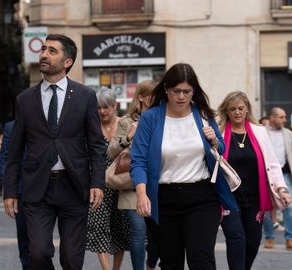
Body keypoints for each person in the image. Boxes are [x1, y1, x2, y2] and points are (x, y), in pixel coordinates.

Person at [3, 33, 106, 270]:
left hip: (74, 185)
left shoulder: (85, 96)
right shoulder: (24, 99)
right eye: (43, 49)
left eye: (52, 51)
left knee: (71, 259)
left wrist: (97, 183)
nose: (44, 55)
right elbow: (15, 150)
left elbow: (97, 145)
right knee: (37, 253)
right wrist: (10, 190)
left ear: (67, 61)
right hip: (37, 187)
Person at [130, 63, 238, 270]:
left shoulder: (204, 115)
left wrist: (215, 140)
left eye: (186, 91)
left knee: (201, 260)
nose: (181, 96)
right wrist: (142, 194)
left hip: (202, 196)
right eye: (176, 91)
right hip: (163, 198)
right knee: (171, 262)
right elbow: (139, 159)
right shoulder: (150, 118)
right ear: (166, 90)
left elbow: (221, 149)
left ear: (193, 92)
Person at [217, 91, 292, 270]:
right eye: (232, 109)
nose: (237, 112)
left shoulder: (259, 132)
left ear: (247, 109)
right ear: (226, 111)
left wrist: (282, 188)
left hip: (254, 199)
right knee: (236, 238)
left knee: (252, 241)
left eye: (240, 108)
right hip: (229, 199)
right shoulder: (218, 133)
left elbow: (272, 164)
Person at [107, 80, 157, 270]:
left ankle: (151, 264)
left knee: (157, 234)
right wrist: (129, 137)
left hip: (159, 184)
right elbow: (111, 152)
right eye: (151, 96)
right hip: (131, 185)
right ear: (141, 98)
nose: (155, 100)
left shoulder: (163, 120)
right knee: (138, 232)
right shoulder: (127, 122)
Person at [86, 88, 129, 270]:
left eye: (106, 107)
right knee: (99, 226)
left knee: (120, 228)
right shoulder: (92, 126)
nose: (102, 111)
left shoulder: (125, 124)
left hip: (120, 183)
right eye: (98, 108)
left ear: (114, 106)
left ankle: (116, 268)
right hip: (98, 183)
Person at [263, 107, 292, 249]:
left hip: (284, 176)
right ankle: (269, 237)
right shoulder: (261, 132)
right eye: (281, 117)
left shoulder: (288, 134)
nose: (285, 120)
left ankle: (290, 239)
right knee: (267, 208)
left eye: (285, 117)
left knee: (288, 207)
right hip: (266, 175)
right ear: (272, 118)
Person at [0, 120, 30, 269]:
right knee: (24, 238)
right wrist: (10, 189)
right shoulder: (11, 127)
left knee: (42, 245)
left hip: (48, 191)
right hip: (21, 190)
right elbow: (4, 157)